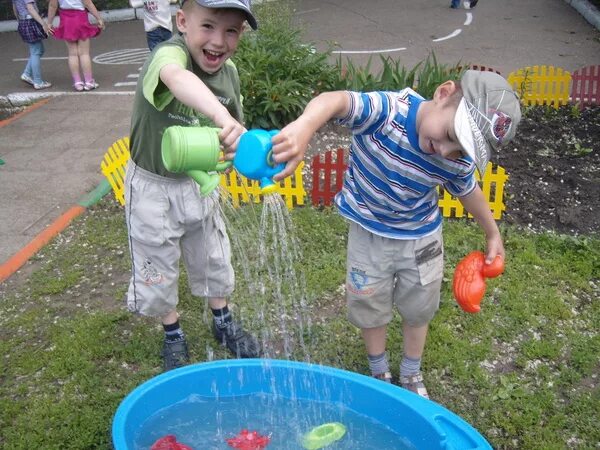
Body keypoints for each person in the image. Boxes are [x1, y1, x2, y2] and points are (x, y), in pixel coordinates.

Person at [271, 70, 521, 398]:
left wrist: (492, 233)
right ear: (443, 93)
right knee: (368, 304)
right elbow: (335, 101)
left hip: (421, 239)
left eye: (460, 151)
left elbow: (467, 191)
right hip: (368, 235)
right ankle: (378, 370)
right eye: (449, 133)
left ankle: (411, 372)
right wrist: (304, 127)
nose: (445, 152)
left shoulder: (454, 161)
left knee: (419, 307)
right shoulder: (387, 112)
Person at [125, 0, 260, 371]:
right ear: (182, 22)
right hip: (152, 185)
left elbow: (233, 128)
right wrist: (218, 116)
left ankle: (223, 322)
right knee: (156, 256)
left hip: (198, 181)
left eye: (231, 30)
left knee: (212, 252)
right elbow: (176, 78)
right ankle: (172, 332)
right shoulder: (169, 54)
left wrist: (235, 149)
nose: (219, 40)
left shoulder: (228, 73)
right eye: (209, 26)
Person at [46, 0, 105, 91]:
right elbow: (87, 3)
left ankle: (77, 82)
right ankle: (89, 81)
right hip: (80, 17)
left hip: (65, 19)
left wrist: (49, 23)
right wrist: (98, 18)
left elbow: (53, 5)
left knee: (72, 53)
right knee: (84, 53)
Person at [13, 0, 52, 90]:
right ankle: (38, 82)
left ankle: (27, 74)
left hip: (23, 21)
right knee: (36, 51)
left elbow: (15, 7)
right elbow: (30, 8)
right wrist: (43, 24)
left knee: (39, 50)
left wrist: (19, 21)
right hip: (30, 21)